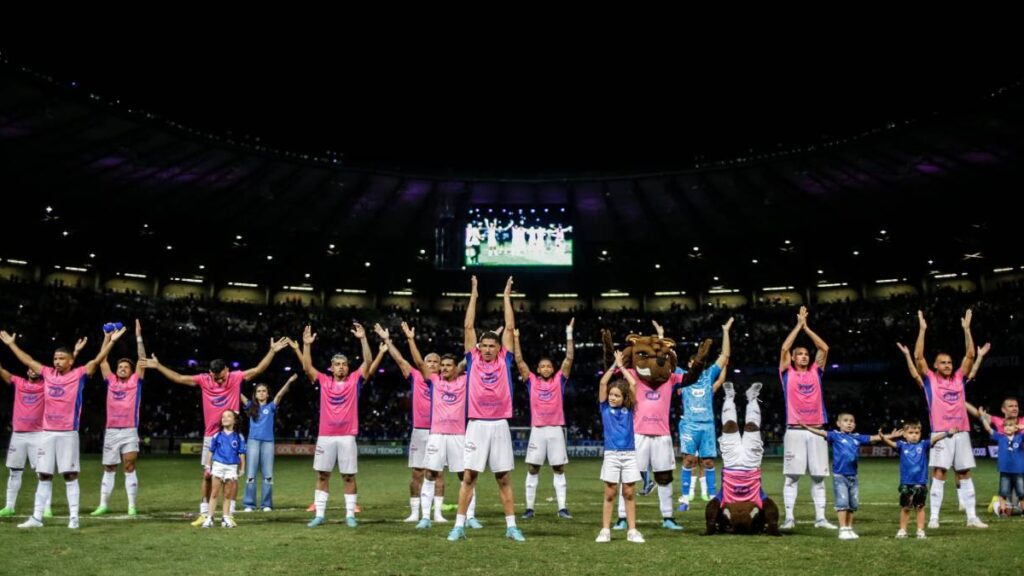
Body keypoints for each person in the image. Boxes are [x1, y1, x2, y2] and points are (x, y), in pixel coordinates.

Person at [513, 318, 574, 520]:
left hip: (556, 429)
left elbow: (569, 358)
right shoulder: (531, 381)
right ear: (538, 370)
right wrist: (516, 338)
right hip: (538, 430)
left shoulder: (559, 381)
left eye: (549, 366)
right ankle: (529, 508)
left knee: (559, 468)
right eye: (542, 366)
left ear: (553, 369)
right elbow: (519, 361)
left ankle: (562, 508)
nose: (546, 368)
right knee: (533, 468)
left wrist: (569, 334)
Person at [595, 351, 644, 544]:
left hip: (629, 455)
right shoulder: (604, 408)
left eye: (617, 396)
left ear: (625, 398)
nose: (612, 398)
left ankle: (632, 531)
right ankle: (605, 530)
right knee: (610, 493)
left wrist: (622, 367)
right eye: (611, 395)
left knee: (629, 493)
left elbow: (633, 384)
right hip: (612, 455)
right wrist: (613, 366)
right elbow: (602, 383)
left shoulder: (630, 409)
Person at [203, 409, 246, 528]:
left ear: (234, 420)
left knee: (227, 494)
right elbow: (211, 451)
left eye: (228, 416)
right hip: (218, 466)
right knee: (214, 493)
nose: (225, 418)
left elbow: (242, 453)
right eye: (223, 417)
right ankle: (209, 518)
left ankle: (225, 518)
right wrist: (208, 466)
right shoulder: (217, 435)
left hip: (232, 467)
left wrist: (242, 468)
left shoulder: (239, 437)